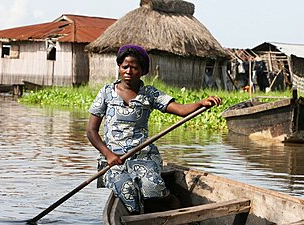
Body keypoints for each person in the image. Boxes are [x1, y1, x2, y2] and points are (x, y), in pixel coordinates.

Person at [87, 44, 221, 214]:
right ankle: (137, 223)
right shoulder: (106, 92)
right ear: (119, 67)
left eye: (134, 68)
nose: (128, 71)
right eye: (125, 67)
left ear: (143, 71)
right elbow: (91, 131)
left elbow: (180, 110)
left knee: (152, 188)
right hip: (114, 160)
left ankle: (171, 204)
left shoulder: (149, 94)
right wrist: (108, 154)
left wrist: (201, 103)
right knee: (127, 190)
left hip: (144, 157)